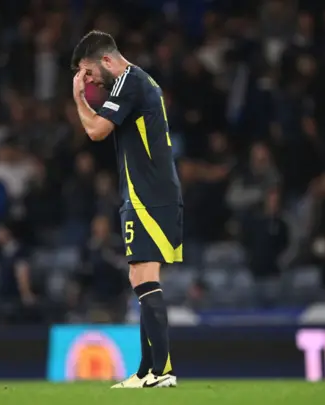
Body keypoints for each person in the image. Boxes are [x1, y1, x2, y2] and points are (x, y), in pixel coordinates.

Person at [70, 30, 182, 388]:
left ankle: (162, 371)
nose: (87, 81)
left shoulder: (129, 82)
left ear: (106, 60)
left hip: (149, 194)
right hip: (146, 192)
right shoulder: (138, 82)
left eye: (88, 73)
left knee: (145, 277)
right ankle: (147, 370)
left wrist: (78, 99)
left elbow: (96, 131)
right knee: (139, 276)